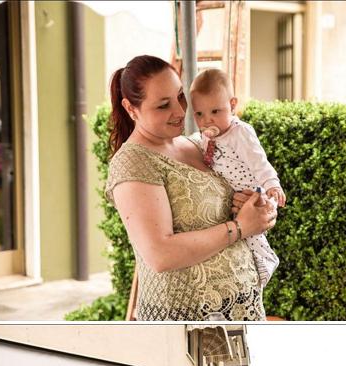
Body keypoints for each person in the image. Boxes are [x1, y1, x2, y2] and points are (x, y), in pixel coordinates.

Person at [106, 55, 276, 320]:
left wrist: (260, 209)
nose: (179, 111)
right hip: (189, 319)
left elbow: (246, 187)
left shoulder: (198, 144)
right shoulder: (133, 161)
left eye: (181, 97)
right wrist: (241, 227)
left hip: (243, 308)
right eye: (163, 105)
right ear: (131, 109)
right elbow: (160, 254)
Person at [190, 68, 285, 290]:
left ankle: (263, 269)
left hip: (247, 193)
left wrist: (272, 185)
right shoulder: (204, 137)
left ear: (232, 105)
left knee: (253, 240)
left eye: (215, 111)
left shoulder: (240, 132)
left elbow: (259, 162)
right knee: (237, 243)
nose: (207, 120)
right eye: (199, 114)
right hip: (229, 200)